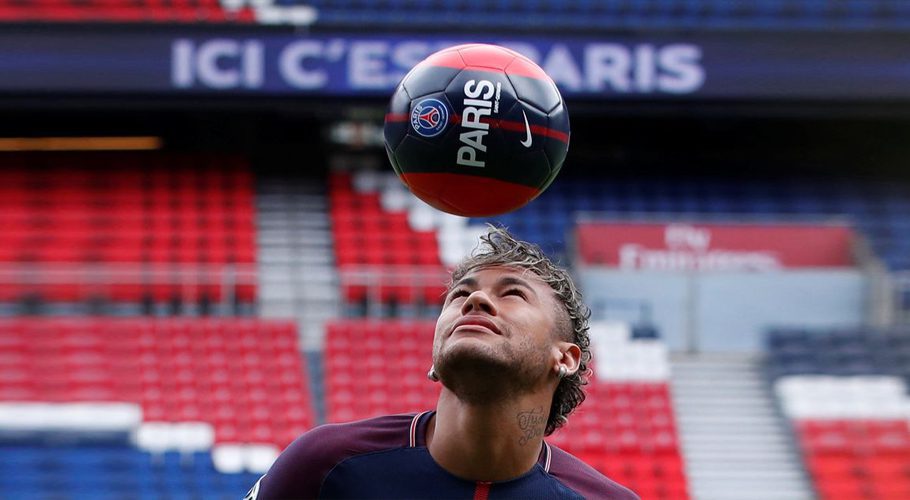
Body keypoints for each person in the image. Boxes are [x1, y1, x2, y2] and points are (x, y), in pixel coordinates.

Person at [246, 226, 639, 499]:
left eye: (513, 294)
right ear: (435, 359)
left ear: (565, 357)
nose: (474, 301)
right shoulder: (324, 465)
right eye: (459, 295)